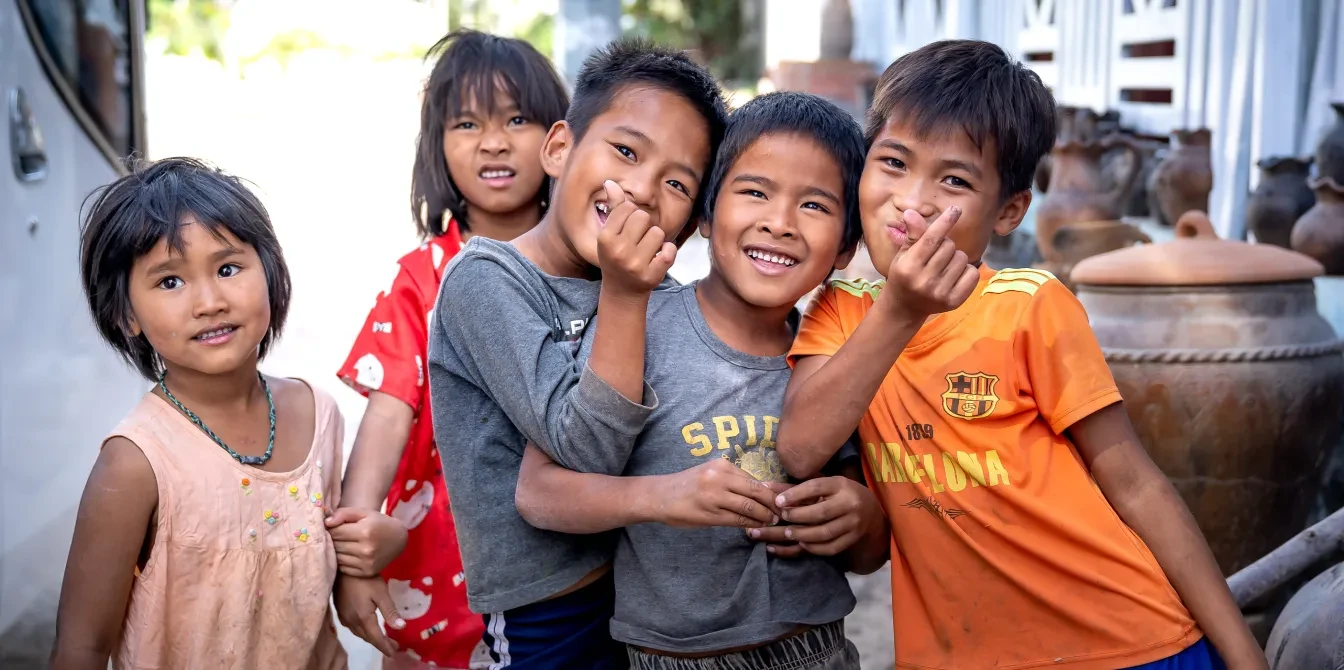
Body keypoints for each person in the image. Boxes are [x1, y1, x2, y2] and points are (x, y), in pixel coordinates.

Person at [776, 40, 1265, 670]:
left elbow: (1136, 484)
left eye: (954, 180)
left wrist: (1244, 654)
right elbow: (801, 447)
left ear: (1008, 211)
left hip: (1127, 646)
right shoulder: (838, 313)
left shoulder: (1028, 306)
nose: (913, 200)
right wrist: (899, 311)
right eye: (893, 162)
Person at [513, 91, 887, 670]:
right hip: (671, 657)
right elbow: (539, 495)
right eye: (755, 192)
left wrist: (861, 517)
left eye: (814, 205)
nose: (779, 223)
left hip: (819, 648)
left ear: (846, 247)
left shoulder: (837, 356)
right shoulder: (634, 324)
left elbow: (868, 553)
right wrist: (663, 496)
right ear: (705, 218)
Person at [426, 38, 729, 668]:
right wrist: (625, 294)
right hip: (546, 617)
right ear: (560, 148)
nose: (641, 189)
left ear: (690, 223)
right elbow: (584, 449)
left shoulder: (661, 294)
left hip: (650, 602)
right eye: (626, 151)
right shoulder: (485, 280)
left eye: (676, 182)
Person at [51, 157, 387, 668]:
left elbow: (309, 568)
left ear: (270, 272)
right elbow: (82, 647)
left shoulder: (317, 414)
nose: (209, 302)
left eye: (228, 269)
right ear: (126, 314)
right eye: (170, 281)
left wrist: (378, 544)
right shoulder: (136, 463)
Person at [329, 29, 569, 669]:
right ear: (436, 145)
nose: (494, 141)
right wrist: (354, 551)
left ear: (560, 140)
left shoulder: (589, 271)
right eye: (467, 123)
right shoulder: (421, 279)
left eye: (516, 119)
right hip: (438, 571)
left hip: (564, 568)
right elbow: (388, 412)